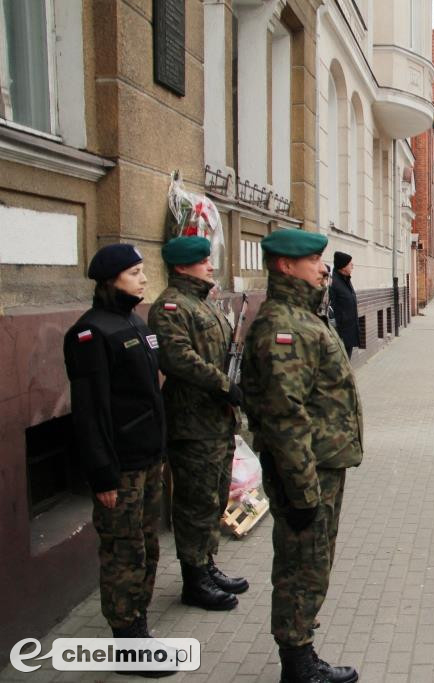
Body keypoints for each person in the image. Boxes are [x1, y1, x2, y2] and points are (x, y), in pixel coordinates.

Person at [242, 230, 362, 682]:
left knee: (313, 562)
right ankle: (297, 664)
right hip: (307, 471)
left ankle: (301, 649)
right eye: (313, 260)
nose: (323, 267)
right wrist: (303, 489)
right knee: (301, 566)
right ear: (285, 266)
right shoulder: (285, 328)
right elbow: (284, 417)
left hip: (321, 464)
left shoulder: (302, 315)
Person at [63, 244, 173, 669]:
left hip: (148, 458)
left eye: (143, 271)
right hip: (120, 467)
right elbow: (90, 411)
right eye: (135, 272)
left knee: (146, 547)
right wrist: (103, 474)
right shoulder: (91, 333)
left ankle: (138, 627)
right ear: (111, 279)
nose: (144, 279)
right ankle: (128, 645)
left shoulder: (134, 322)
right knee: (123, 553)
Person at [149, 236, 247, 611]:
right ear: (181, 266)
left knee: (215, 496)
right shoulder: (171, 307)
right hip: (192, 422)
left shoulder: (202, 303)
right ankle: (194, 580)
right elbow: (177, 359)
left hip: (216, 419)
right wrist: (225, 386)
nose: (210, 265)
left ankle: (207, 564)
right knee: (195, 502)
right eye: (203, 261)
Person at [330, 251, 359, 358]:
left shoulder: (346, 280)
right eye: (350, 264)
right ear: (343, 267)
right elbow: (330, 310)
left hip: (349, 333)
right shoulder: (333, 283)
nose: (353, 266)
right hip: (340, 334)